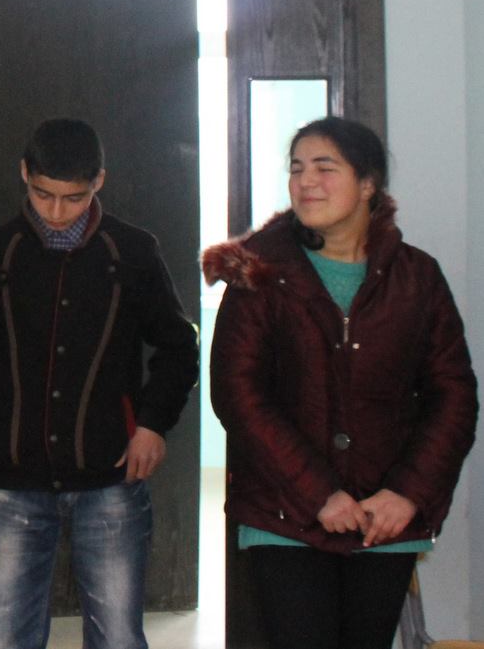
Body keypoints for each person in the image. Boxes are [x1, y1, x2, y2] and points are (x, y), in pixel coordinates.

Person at [203, 116, 476, 649]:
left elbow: (453, 395)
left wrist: (407, 493)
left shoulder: (417, 277)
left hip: (384, 518)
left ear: (368, 183)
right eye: (297, 168)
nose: (306, 181)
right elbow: (238, 394)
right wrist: (319, 495)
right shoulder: (259, 275)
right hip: (284, 513)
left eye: (324, 168)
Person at [0, 118, 198, 649]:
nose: (57, 211)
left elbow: (179, 346)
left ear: (99, 182)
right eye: (43, 195)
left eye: (74, 198)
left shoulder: (133, 250)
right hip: (13, 481)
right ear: (24, 173)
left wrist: (152, 425)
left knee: (117, 638)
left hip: (110, 478)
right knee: (9, 639)